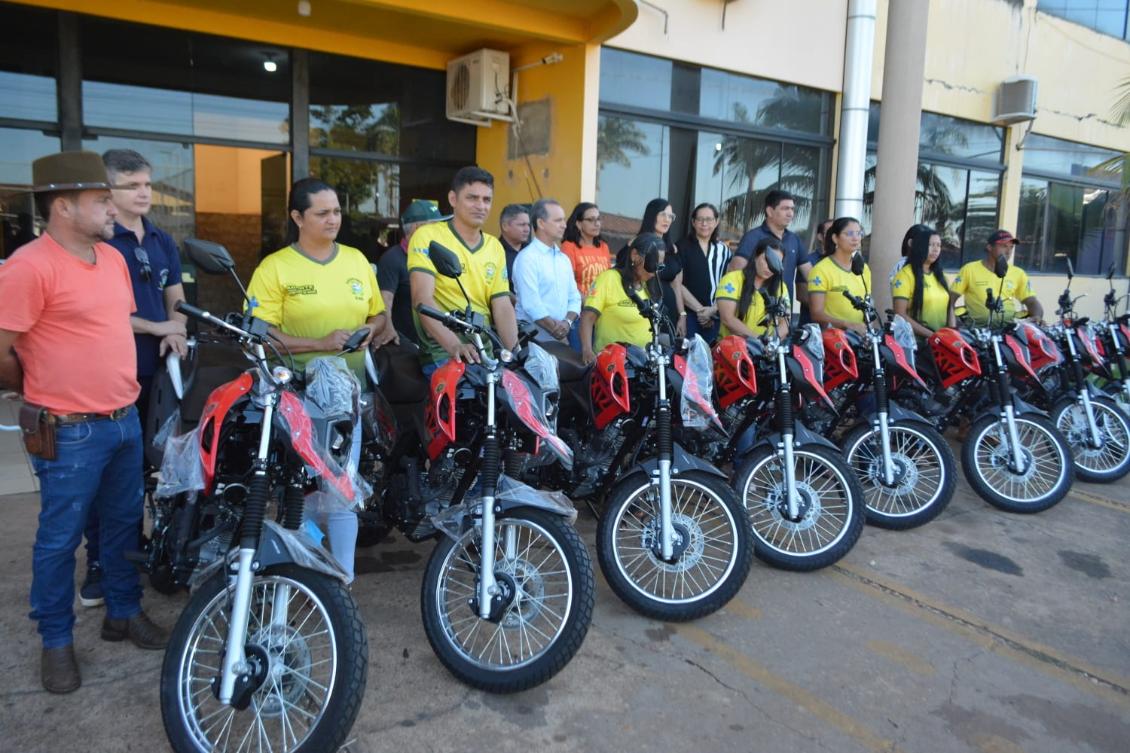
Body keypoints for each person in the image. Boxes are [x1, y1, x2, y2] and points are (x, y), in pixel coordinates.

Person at [0, 151, 169, 694]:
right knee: (59, 539)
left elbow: (113, 322)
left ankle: (122, 612)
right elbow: (3, 348)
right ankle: (56, 641)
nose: (113, 207)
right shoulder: (28, 266)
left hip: (124, 420)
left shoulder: (113, 258)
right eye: (102, 200)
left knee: (122, 526)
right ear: (64, 206)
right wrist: (37, 388)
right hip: (68, 429)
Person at [246, 177, 393, 582]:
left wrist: (371, 328)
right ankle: (303, 576)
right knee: (305, 490)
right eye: (322, 213)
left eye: (337, 211)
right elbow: (260, 331)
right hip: (299, 394)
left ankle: (341, 580)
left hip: (351, 393)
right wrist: (320, 342)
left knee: (343, 488)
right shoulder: (275, 267)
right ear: (297, 217)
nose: (333, 220)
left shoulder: (356, 260)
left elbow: (378, 314)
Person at [67, 148, 189, 611]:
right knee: (107, 480)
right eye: (132, 185)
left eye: (147, 184)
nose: (144, 193)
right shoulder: (98, 244)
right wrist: (158, 327)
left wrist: (176, 328)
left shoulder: (160, 239)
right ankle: (100, 563)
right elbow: (104, 312)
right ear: (107, 193)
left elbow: (174, 295)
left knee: (158, 472)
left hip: (160, 375)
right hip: (110, 377)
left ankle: (149, 554)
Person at [409, 166, 519, 376]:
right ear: (453, 199)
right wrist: (454, 346)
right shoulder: (428, 236)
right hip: (443, 354)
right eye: (472, 198)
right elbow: (421, 299)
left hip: (484, 353)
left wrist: (515, 353)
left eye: (487, 200)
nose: (481, 206)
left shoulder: (494, 246)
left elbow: (502, 305)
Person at [581, 233, 665, 365]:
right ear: (635, 255)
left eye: (659, 266)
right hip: (612, 365)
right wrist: (587, 350)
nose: (655, 271)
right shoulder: (609, 278)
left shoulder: (650, 285)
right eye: (651, 264)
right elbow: (588, 317)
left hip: (644, 366)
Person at [377, 199, 447, 345]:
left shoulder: (440, 256)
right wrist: (389, 330)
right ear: (417, 228)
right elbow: (384, 301)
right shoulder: (392, 258)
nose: (441, 231)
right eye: (435, 226)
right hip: (411, 347)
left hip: (442, 342)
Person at [513, 199, 581, 345]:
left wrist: (567, 323)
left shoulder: (563, 259)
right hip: (532, 341)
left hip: (560, 338)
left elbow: (574, 297)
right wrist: (555, 329)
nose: (564, 225)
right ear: (541, 223)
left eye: (563, 220)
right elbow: (531, 304)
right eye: (558, 220)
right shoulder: (527, 258)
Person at [729, 190, 810, 306]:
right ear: (770, 211)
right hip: (754, 308)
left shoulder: (794, 239)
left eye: (792, 209)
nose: (790, 214)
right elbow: (735, 270)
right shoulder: (753, 237)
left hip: (783, 310)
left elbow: (810, 274)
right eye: (785, 208)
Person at [950, 229, 1044, 326]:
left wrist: (1037, 316)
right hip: (976, 331)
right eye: (1004, 246)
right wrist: (952, 325)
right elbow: (951, 299)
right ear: (989, 247)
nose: (1008, 251)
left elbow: (1031, 301)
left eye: (1011, 247)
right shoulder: (969, 269)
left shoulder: (1019, 273)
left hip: (1009, 331)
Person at [630, 198, 686, 336]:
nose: (667, 219)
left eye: (670, 216)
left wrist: (682, 314)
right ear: (652, 215)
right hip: (644, 310)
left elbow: (676, 285)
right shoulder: (635, 245)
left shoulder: (673, 249)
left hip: (669, 313)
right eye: (663, 214)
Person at [677, 202, 732, 342]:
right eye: (700, 219)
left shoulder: (724, 250)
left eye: (709, 219)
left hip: (717, 316)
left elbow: (729, 284)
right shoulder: (682, 247)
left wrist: (712, 310)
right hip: (690, 316)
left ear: (716, 221)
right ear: (693, 222)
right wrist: (701, 311)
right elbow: (677, 284)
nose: (704, 223)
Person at [716, 236, 789, 339]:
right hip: (732, 350)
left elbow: (785, 323)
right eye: (766, 260)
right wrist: (759, 340)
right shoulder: (732, 279)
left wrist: (771, 341)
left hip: (765, 352)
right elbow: (727, 319)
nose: (769, 266)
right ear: (755, 256)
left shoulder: (781, 287)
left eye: (775, 263)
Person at [807, 217, 871, 334]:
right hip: (832, 338)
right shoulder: (821, 270)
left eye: (859, 233)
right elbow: (816, 313)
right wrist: (847, 324)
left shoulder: (863, 268)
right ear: (835, 238)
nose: (856, 238)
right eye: (849, 233)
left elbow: (867, 305)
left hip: (860, 338)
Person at [892, 226, 955, 338]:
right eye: (931, 245)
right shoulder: (905, 275)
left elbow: (950, 307)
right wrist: (932, 336)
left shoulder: (941, 275)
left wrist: (952, 333)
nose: (936, 249)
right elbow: (900, 315)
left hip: (942, 342)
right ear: (920, 247)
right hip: (917, 344)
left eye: (938, 245)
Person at [561, 201, 611, 296]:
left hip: (603, 304)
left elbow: (608, 279)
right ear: (579, 224)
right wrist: (588, 303)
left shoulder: (603, 247)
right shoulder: (569, 247)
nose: (597, 224)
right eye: (591, 220)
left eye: (598, 219)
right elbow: (567, 284)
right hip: (580, 306)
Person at [797, 217, 833, 325]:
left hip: (839, 330)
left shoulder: (845, 263)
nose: (834, 235)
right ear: (820, 237)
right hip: (812, 327)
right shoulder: (808, 261)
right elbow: (801, 295)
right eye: (830, 232)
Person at [498, 203, 531, 284]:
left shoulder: (532, 250)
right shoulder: (495, 252)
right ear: (505, 226)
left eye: (528, 225)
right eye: (522, 225)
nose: (527, 229)